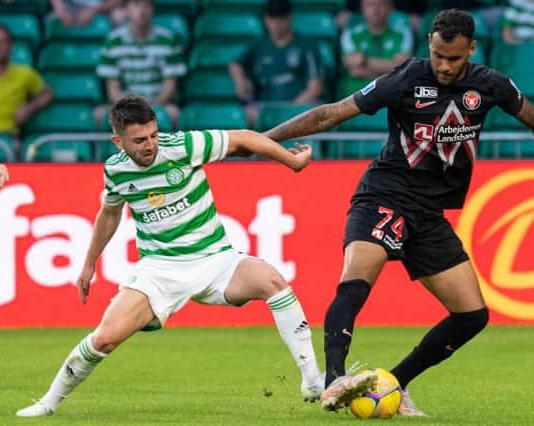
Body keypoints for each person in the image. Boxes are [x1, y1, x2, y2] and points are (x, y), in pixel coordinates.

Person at [265, 9, 534, 416]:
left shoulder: (490, 84)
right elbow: (331, 112)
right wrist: (262, 142)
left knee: (472, 315)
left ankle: (395, 385)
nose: (444, 65)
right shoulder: (405, 78)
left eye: (453, 58)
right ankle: (335, 379)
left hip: (429, 213)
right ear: (430, 47)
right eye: (438, 55)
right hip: (384, 194)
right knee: (356, 281)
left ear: (471, 50)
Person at [16, 94, 324, 418]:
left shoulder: (182, 146)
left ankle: (312, 379)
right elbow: (109, 214)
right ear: (117, 141)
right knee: (104, 339)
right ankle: (48, 402)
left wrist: (292, 162)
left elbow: (244, 138)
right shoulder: (116, 171)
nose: (149, 145)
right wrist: (88, 264)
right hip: (159, 270)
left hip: (215, 258)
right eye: (138, 140)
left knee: (272, 280)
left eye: (152, 135)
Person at [228, 0, 324, 127]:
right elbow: (235, 65)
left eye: (281, 18)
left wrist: (289, 111)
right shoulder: (259, 44)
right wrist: (240, 81)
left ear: (290, 18)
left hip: (297, 108)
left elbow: (315, 88)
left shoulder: (307, 45)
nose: (277, 24)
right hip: (265, 107)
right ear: (266, 19)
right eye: (273, 18)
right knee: (247, 114)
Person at [96, 0, 186, 128]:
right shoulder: (113, 41)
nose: (141, 11)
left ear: (152, 9)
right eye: (136, 5)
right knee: (100, 114)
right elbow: (113, 90)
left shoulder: (168, 40)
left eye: (146, 5)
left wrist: (149, 105)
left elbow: (169, 87)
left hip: (158, 103)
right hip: (125, 102)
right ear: (127, 9)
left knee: (174, 113)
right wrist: (131, 106)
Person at [339, 0, 413, 97]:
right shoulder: (351, 34)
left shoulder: (402, 34)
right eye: (370, 5)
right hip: (356, 98)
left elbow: (403, 68)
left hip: (392, 98)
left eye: (381, 4)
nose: (375, 10)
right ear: (362, 8)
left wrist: (364, 61)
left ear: (390, 8)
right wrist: (390, 70)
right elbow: (355, 71)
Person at [0, 25, 53, 141]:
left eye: (2, 42)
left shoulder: (25, 73)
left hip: (9, 138)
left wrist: (28, 108)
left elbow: (47, 94)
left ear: (10, 46)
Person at [50, 0, 125, 27]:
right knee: (51, 21)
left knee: (119, 16)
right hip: (70, 8)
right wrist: (60, 8)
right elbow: (59, 7)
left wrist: (94, 10)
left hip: (103, 9)